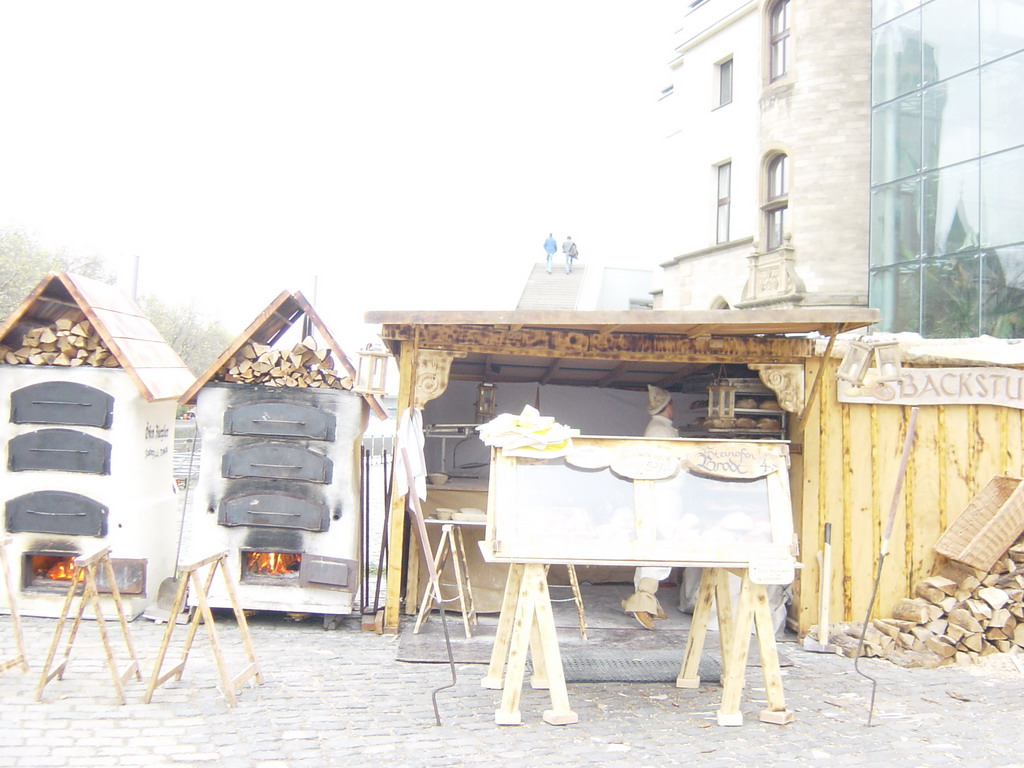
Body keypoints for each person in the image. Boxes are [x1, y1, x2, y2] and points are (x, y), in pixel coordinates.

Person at [621, 384, 677, 630]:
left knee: (654, 544)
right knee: (658, 545)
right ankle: (643, 600)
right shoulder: (659, 430)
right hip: (661, 494)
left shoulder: (660, 428)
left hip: (661, 493)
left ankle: (647, 598)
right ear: (667, 407)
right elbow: (666, 463)